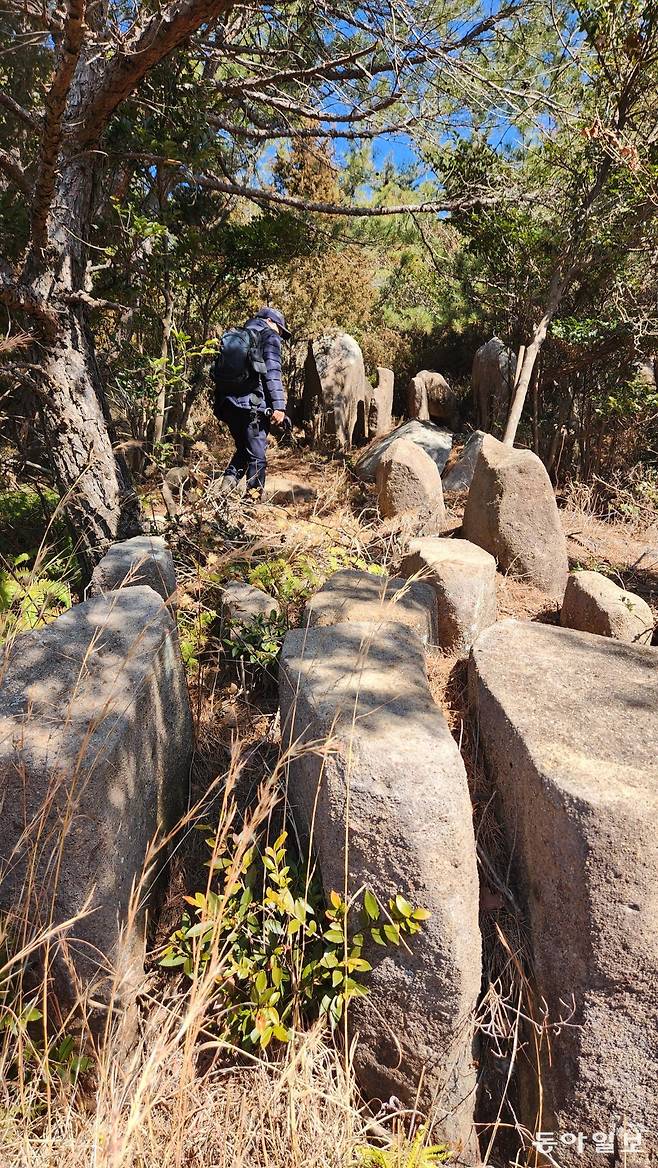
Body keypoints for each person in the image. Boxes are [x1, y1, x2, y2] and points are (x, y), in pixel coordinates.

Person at [216, 306, 290, 500]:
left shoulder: (237, 334)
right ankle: (252, 503)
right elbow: (273, 374)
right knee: (257, 457)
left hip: (228, 404)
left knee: (243, 449)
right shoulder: (269, 337)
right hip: (253, 407)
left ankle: (223, 492)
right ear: (270, 321)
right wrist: (279, 407)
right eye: (280, 330)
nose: (280, 335)